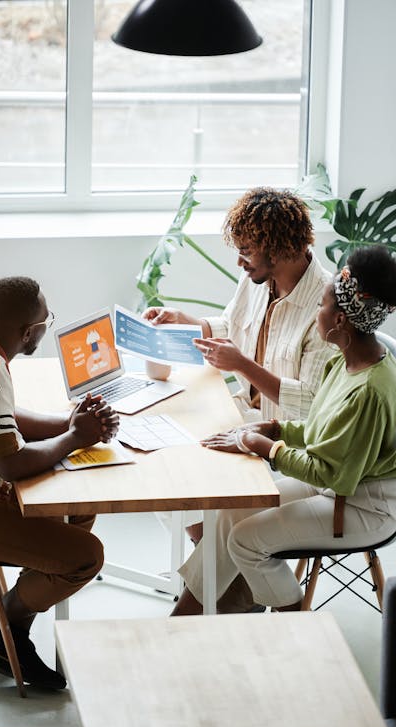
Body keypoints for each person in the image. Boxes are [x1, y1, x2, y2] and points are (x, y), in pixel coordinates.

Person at [171, 245, 396, 616]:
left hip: (366, 504)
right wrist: (273, 427)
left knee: (245, 541)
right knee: (230, 513)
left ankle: (296, 626)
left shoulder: (369, 390)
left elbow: (332, 473)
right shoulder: (348, 361)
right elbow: (325, 429)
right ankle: (187, 619)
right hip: (342, 482)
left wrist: (265, 448)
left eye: (321, 306)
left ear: (340, 322)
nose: (316, 313)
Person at [144, 187, 332, 609]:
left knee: (229, 510)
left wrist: (243, 365)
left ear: (278, 249)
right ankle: (229, 575)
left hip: (286, 439)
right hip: (243, 417)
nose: (240, 260)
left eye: (246, 250)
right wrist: (188, 321)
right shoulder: (257, 281)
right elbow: (231, 322)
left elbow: (314, 404)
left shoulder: (325, 307)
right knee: (161, 457)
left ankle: (193, 611)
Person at [0, 277, 119, 690]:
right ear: (28, 332)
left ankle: (5, 629)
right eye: (45, 321)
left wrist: (70, 423)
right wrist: (74, 439)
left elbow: (4, 417)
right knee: (85, 556)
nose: (45, 327)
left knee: (79, 503)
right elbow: (10, 465)